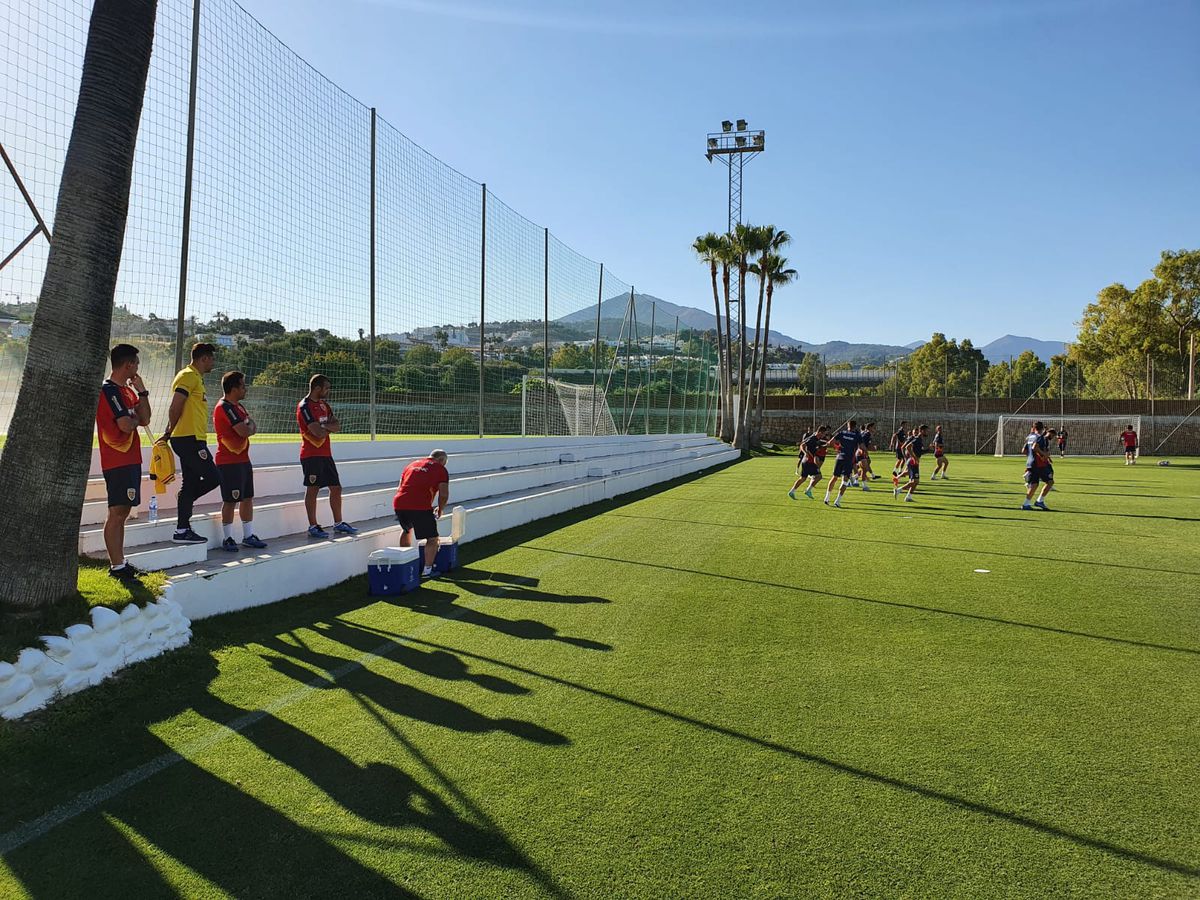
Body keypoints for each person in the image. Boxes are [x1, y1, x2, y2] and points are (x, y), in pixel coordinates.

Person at [96, 344, 152, 580]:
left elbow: (145, 419)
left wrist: (142, 393)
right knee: (117, 512)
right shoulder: (108, 391)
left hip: (131, 459)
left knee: (124, 510)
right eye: (136, 363)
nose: (138, 368)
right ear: (128, 364)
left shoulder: (129, 392)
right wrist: (133, 416)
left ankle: (120, 564)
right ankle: (116, 567)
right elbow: (126, 425)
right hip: (116, 460)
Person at [163, 342, 220, 544]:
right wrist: (169, 431)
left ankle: (182, 530)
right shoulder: (187, 375)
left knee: (190, 484)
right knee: (214, 477)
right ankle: (184, 502)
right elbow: (175, 405)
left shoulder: (196, 378)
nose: (213, 362)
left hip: (193, 438)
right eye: (212, 358)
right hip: (188, 439)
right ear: (204, 358)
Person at [298, 373, 358, 538]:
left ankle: (338, 523)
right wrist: (326, 427)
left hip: (325, 453)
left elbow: (337, 425)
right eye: (326, 388)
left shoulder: (324, 405)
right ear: (317, 388)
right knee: (313, 488)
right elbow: (317, 433)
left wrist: (323, 426)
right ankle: (312, 525)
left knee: (336, 487)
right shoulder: (304, 406)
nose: (328, 391)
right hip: (311, 454)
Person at [214, 370, 267, 552]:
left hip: (243, 460)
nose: (246, 389)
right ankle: (228, 538)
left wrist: (249, 426)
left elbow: (252, 425)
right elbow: (245, 430)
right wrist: (249, 427)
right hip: (228, 462)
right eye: (243, 385)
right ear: (234, 388)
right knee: (230, 500)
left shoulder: (239, 407)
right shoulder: (224, 407)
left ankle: (248, 535)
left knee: (247, 498)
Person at [393, 450, 451, 578]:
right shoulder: (440, 469)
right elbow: (444, 494)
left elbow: (400, 487)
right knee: (432, 538)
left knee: (407, 529)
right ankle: (427, 570)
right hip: (418, 505)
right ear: (442, 460)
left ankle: (405, 562)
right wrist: (440, 509)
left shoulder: (412, 464)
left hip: (399, 502)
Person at [824, 419, 862, 508]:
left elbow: (830, 443)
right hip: (848, 459)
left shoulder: (842, 433)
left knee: (834, 477)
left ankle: (827, 498)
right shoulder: (857, 435)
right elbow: (861, 447)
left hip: (839, 457)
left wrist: (837, 448)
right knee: (845, 480)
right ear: (855, 426)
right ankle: (837, 501)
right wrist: (863, 450)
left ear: (848, 426)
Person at [788, 425, 828, 499]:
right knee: (819, 476)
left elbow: (815, 447)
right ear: (819, 432)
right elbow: (802, 445)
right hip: (808, 461)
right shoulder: (813, 438)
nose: (824, 435)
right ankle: (808, 490)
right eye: (823, 434)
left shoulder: (815, 438)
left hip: (806, 461)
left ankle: (792, 491)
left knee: (803, 478)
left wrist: (824, 445)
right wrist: (806, 453)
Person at [1023, 421, 1054, 510]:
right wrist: (1043, 454)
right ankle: (1039, 501)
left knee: (1034, 484)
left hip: (1030, 463)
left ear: (1034, 427)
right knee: (1050, 482)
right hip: (1038, 464)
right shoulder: (1039, 437)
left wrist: (1031, 456)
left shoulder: (1029, 437)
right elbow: (1035, 447)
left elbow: (1024, 451)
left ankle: (1026, 504)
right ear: (1042, 428)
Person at [894, 424, 927, 502]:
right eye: (926, 431)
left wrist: (928, 449)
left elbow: (919, 452)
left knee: (915, 482)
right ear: (921, 431)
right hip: (912, 462)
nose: (927, 432)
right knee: (915, 481)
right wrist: (914, 458)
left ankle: (908, 497)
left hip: (913, 461)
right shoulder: (917, 439)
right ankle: (898, 490)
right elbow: (907, 447)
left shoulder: (920, 439)